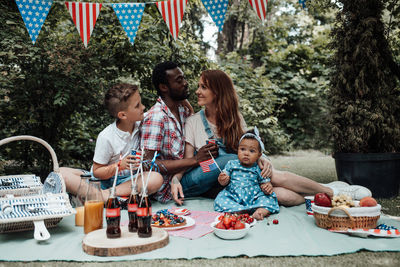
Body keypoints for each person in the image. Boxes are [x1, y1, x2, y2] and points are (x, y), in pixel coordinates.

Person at [171, 69, 372, 206]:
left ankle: (325, 195)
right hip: (200, 177)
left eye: (203, 87)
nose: (197, 91)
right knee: (232, 159)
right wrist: (175, 179)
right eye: (199, 86)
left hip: (230, 179)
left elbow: (249, 148)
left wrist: (262, 159)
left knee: (275, 190)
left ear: (218, 91)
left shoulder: (235, 118)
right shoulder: (193, 121)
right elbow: (188, 161)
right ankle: (331, 191)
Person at [60, 83, 163, 200]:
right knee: (62, 174)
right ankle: (103, 195)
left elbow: (159, 110)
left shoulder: (142, 123)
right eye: (137, 105)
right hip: (102, 181)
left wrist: (183, 103)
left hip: (126, 183)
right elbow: (97, 171)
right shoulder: (106, 136)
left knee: (156, 178)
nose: (143, 107)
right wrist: (120, 165)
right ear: (123, 115)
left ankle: (102, 196)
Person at [139, 61, 219, 203]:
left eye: (184, 78)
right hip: (171, 186)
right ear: (164, 87)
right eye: (179, 80)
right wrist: (195, 160)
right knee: (227, 162)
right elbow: (147, 164)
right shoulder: (156, 117)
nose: (186, 83)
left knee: (220, 162)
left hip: (188, 172)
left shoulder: (182, 110)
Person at [214, 128, 279, 220]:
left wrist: (267, 187)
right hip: (233, 194)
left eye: (251, 151)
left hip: (254, 196)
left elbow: (265, 182)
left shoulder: (258, 167)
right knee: (220, 201)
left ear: (259, 155)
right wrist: (222, 179)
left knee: (269, 199)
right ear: (238, 150)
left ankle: (259, 212)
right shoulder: (231, 164)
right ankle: (239, 211)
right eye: (242, 149)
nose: (246, 153)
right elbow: (223, 181)